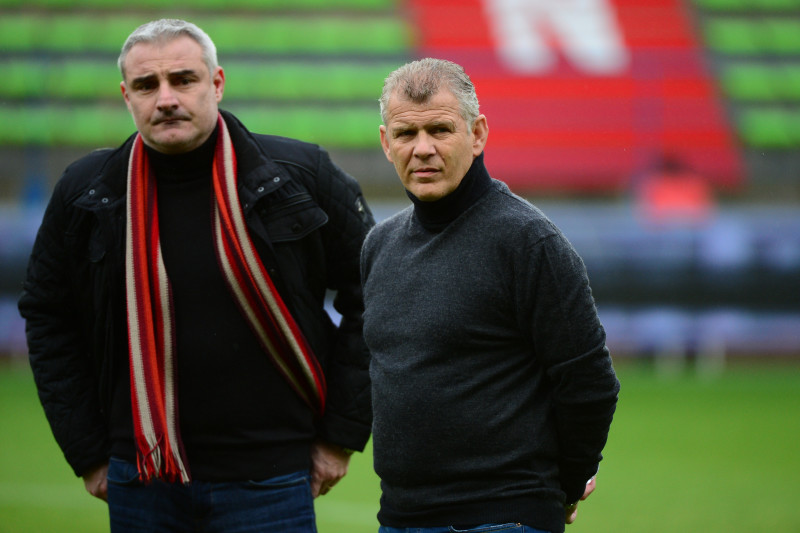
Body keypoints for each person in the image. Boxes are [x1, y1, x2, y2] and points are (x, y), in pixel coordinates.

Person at [18, 18, 374, 532]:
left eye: (183, 79)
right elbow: (49, 316)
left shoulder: (299, 175)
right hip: (141, 481)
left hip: (272, 479)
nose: (165, 98)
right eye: (146, 85)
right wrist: (89, 452)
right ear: (126, 95)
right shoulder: (87, 190)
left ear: (217, 82)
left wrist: (340, 433)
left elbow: (377, 292)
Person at [360, 58, 620, 533]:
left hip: (503, 519)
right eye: (405, 134)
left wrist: (564, 486)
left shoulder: (527, 241)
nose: (422, 149)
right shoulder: (379, 245)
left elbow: (589, 382)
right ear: (385, 143)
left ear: (477, 134)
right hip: (399, 518)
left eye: (440, 129)